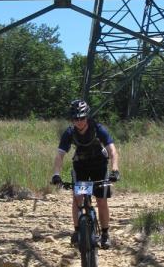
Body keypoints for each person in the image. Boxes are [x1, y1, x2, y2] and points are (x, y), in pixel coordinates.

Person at [51, 99, 119, 249]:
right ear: (72, 119)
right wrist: (56, 174)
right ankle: (77, 231)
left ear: (87, 116)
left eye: (82, 118)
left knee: (101, 201)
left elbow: (112, 150)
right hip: (81, 167)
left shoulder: (98, 129)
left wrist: (115, 170)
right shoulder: (69, 133)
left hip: (99, 166)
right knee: (78, 199)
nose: (79, 121)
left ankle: (105, 234)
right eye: (76, 118)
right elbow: (60, 155)